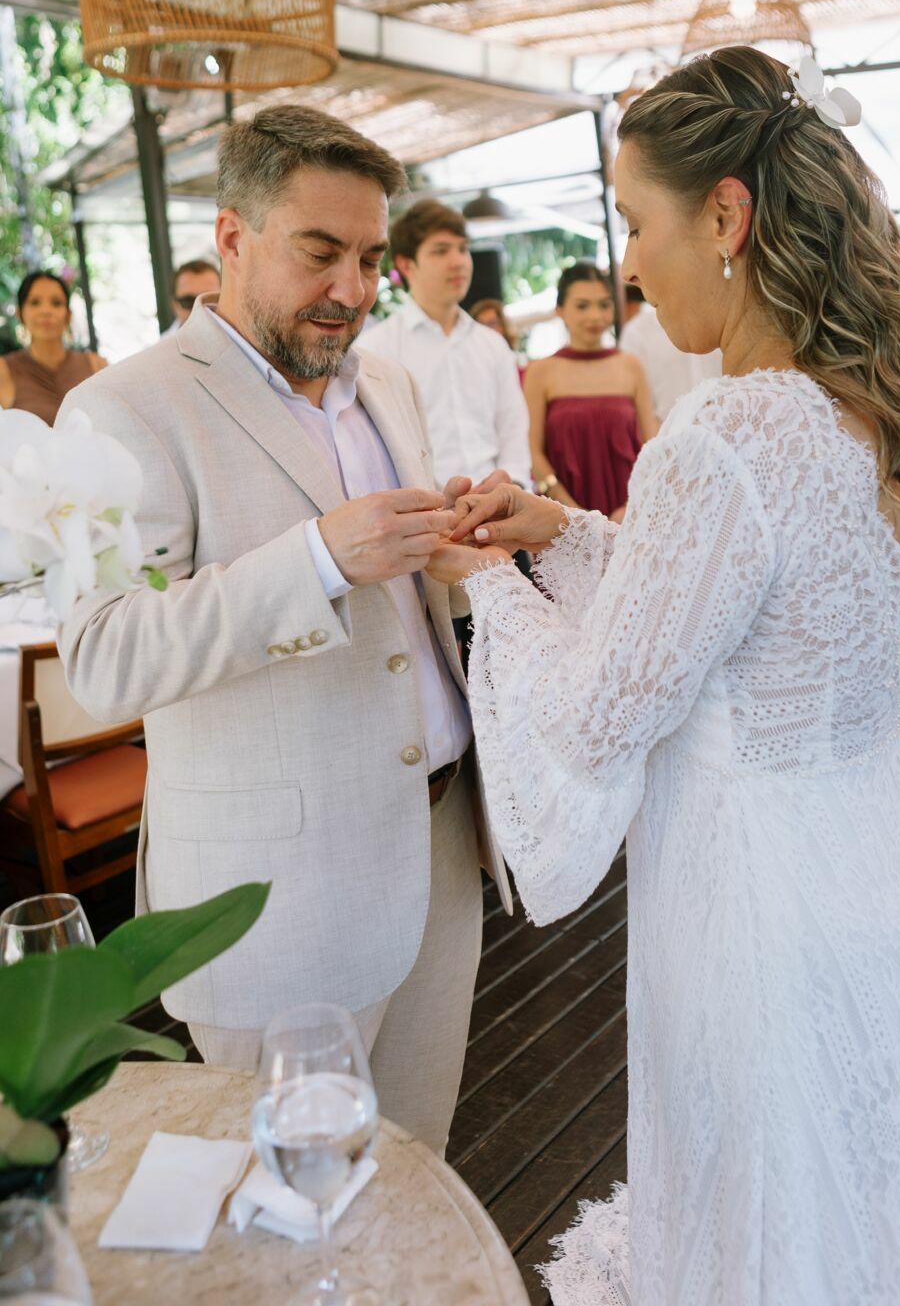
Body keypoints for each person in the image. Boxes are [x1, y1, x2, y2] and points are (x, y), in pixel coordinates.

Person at [427, 46, 900, 1303]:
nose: (630, 263)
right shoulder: (871, 402)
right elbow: (736, 616)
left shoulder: (723, 432)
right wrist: (556, 530)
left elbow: (604, 713)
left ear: (725, 215)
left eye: (636, 221)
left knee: (776, 1225)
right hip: (882, 862)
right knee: (869, 1211)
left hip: (764, 911)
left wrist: (476, 577)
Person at [57, 105, 511, 1157]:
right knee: (283, 1208)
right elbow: (103, 657)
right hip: (274, 894)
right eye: (319, 252)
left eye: (365, 257)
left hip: (440, 847)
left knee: (414, 1169)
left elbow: (405, 606)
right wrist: (315, 559)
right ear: (230, 237)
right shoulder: (129, 409)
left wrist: (458, 557)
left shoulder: (386, 380)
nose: (350, 289)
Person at [361, 201, 531, 488]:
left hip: (499, 506)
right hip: (425, 514)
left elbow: (513, 430)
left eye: (463, 249)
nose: (458, 261)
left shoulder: (492, 344)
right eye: (441, 250)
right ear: (406, 264)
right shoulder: (375, 349)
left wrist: (511, 486)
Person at [524, 263, 657, 521]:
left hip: (629, 512)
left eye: (604, 305)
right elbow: (533, 449)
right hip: (563, 515)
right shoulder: (541, 371)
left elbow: (651, 444)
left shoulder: (631, 366)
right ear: (560, 311)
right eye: (582, 306)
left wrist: (633, 504)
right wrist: (569, 509)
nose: (595, 316)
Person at [0, 271, 105, 423]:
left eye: (56, 303)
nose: (46, 311)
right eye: (35, 302)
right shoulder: (4, 370)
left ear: (68, 315)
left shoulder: (96, 365)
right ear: (20, 313)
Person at [620, 281, 723, 420]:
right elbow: (637, 407)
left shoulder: (726, 318)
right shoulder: (637, 332)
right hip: (665, 436)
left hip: (731, 434)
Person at [165, 257, 221, 333]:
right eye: (188, 301)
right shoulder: (163, 344)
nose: (198, 310)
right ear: (174, 306)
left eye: (209, 300)